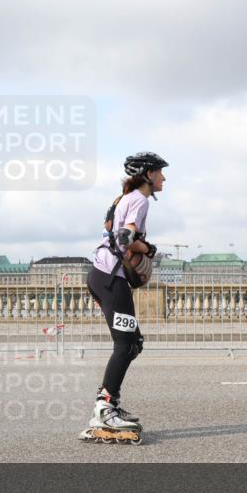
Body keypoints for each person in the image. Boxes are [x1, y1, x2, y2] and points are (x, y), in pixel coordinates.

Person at [80, 151, 166, 443]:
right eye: (160, 172)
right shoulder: (139, 200)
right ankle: (103, 410)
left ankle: (110, 403)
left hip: (103, 276)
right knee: (125, 344)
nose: (163, 177)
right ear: (147, 174)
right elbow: (123, 238)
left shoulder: (122, 199)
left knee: (134, 343)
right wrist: (149, 250)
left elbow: (109, 229)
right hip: (110, 276)